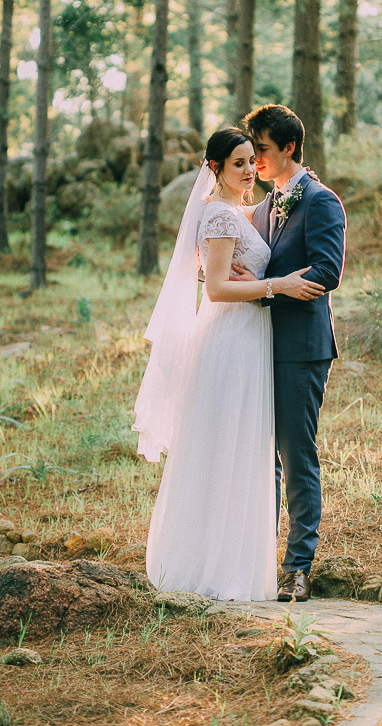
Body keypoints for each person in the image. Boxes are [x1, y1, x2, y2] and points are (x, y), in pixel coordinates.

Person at [133, 127, 324, 602]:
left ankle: (238, 560)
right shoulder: (220, 214)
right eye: (239, 162)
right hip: (232, 339)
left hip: (252, 338)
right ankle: (212, 567)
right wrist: (272, 285)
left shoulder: (242, 212)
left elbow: (220, 263)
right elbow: (217, 287)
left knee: (244, 450)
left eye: (252, 159)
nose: (249, 169)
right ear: (215, 168)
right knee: (227, 447)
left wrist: (249, 273)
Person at [241, 104, 346, 603]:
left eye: (261, 149)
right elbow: (259, 272)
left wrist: (269, 288)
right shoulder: (263, 208)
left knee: (296, 454)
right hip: (259, 344)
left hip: (302, 348)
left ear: (289, 148)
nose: (254, 158)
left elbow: (326, 272)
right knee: (263, 458)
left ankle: (298, 567)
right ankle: (258, 559)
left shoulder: (322, 202)